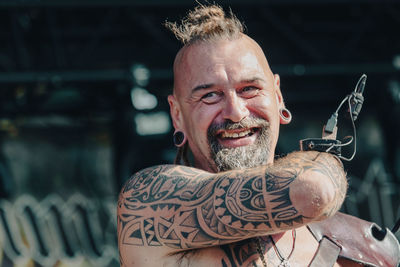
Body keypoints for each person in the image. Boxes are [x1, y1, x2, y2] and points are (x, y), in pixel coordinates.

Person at [117, 4, 400, 267]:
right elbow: (315, 191)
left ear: (278, 97)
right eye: (210, 95)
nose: (236, 113)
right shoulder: (147, 203)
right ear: (177, 115)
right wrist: (319, 158)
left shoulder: (352, 241)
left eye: (249, 89)